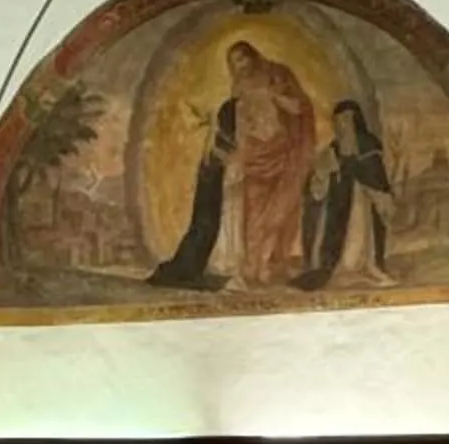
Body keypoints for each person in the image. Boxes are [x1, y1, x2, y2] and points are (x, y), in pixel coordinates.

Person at [150, 40, 315, 292]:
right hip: (249, 157)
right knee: (247, 216)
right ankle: (248, 267)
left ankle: (265, 266)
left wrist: (274, 97)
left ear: (253, 55)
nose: (239, 67)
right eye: (233, 63)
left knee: (275, 214)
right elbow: (238, 124)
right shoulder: (236, 92)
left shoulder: (277, 75)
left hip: (278, 152)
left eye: (242, 59)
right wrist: (230, 148)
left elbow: (299, 107)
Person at [300, 100, 394, 289]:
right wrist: (321, 175)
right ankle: (334, 266)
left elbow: (375, 177)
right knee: (338, 242)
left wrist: (378, 195)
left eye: (345, 120)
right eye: (337, 121)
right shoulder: (334, 148)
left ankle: (366, 266)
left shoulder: (367, 145)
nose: (341, 126)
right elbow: (319, 180)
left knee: (359, 242)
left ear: (355, 121)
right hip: (339, 203)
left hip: (362, 202)